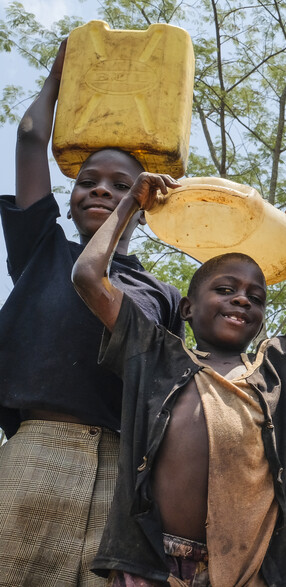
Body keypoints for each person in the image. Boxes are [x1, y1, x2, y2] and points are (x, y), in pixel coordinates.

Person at [70, 172, 286, 586]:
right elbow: (88, 277)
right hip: (150, 563)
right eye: (225, 289)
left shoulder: (278, 365)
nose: (242, 299)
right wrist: (130, 202)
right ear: (186, 308)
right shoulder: (154, 353)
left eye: (255, 298)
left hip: (245, 569)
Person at [0, 41, 184, 586]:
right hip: (32, 457)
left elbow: (164, 396)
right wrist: (61, 77)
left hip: (120, 475)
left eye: (121, 187)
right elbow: (32, 137)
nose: (100, 189)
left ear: (144, 205)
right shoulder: (44, 249)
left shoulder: (163, 295)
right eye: (88, 181)